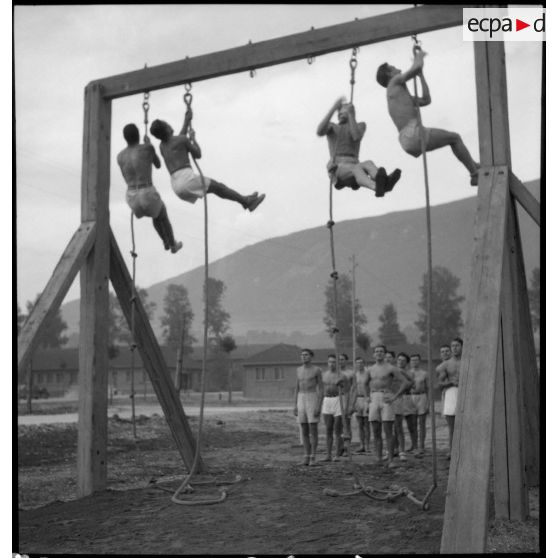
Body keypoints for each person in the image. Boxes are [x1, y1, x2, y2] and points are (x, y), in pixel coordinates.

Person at [376, 47, 480, 186]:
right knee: (455, 138)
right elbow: (416, 66)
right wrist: (419, 56)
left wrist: (421, 76)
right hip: (412, 133)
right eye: (394, 68)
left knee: (453, 139)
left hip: (407, 138)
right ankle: (474, 174)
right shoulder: (393, 82)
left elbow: (426, 100)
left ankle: (474, 166)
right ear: (389, 74)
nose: (398, 69)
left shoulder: (399, 95)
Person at [150, 109, 265, 211]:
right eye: (166, 123)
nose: (169, 124)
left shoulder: (162, 146)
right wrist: (194, 140)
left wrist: (186, 121)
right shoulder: (182, 140)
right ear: (166, 128)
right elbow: (198, 154)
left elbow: (178, 141)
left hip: (176, 186)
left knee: (217, 188)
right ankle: (246, 202)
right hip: (186, 180)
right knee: (219, 187)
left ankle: (245, 200)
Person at [117, 124, 183, 253]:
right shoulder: (146, 148)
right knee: (161, 212)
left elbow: (125, 176)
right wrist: (150, 145)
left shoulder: (120, 157)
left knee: (155, 214)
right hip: (146, 191)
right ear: (138, 135)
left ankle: (165, 241)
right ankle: (172, 244)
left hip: (131, 196)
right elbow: (158, 165)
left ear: (125, 138)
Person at [317, 96, 401, 197]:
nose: (341, 114)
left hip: (354, 163)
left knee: (368, 163)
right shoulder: (333, 127)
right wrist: (334, 107)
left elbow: (356, 136)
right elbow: (320, 131)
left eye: (344, 112)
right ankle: (375, 187)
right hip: (339, 167)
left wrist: (351, 115)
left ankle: (384, 181)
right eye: (340, 113)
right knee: (356, 168)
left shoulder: (360, 126)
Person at [368, 344, 412, 468]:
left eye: (381, 351)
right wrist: (367, 397)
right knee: (376, 430)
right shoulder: (370, 369)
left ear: (385, 353)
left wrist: (395, 396)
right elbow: (364, 383)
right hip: (374, 397)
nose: (379, 353)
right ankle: (378, 457)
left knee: (388, 430)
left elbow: (405, 382)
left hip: (387, 396)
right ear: (373, 354)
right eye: (376, 351)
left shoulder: (391, 368)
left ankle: (391, 459)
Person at [293, 349, 323, 466]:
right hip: (301, 398)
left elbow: (321, 388)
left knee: (313, 429)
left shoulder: (316, 370)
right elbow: (296, 388)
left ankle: (313, 456)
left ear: (311, 356)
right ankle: (306, 455)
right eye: (302, 355)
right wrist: (294, 404)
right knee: (303, 428)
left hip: (312, 397)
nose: (303, 357)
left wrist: (318, 405)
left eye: (306, 355)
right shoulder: (298, 370)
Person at [436, 337, 463, 458]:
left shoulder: (468, 361)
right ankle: (452, 451)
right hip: (452, 392)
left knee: (467, 424)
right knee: (452, 425)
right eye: (453, 346)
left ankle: (465, 449)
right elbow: (439, 384)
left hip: (466, 392)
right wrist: (450, 383)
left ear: (462, 347)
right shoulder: (445, 365)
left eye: (457, 345)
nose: (455, 348)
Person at [320, 355, 345, 462]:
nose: (332, 364)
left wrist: (341, 384)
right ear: (327, 363)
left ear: (337, 363)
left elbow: (348, 388)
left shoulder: (341, 375)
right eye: (330, 362)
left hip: (337, 400)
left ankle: (337, 455)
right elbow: (320, 390)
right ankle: (328, 454)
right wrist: (319, 403)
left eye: (334, 362)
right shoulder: (323, 375)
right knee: (328, 429)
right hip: (327, 400)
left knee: (337, 430)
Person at [392, 352, 414, 461]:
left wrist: (402, 373)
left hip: (402, 398)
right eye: (399, 360)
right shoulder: (392, 370)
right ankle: (394, 449)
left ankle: (402, 450)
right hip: (391, 398)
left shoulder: (408, 373)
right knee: (392, 427)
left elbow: (411, 384)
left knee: (400, 426)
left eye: (403, 360)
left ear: (407, 363)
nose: (400, 362)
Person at [408, 354, 429, 456]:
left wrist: (429, 402)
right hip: (411, 397)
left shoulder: (424, 373)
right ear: (410, 362)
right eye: (412, 360)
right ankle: (414, 445)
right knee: (412, 423)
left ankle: (422, 446)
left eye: (416, 360)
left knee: (422, 423)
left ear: (419, 361)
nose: (414, 362)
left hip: (422, 396)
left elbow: (428, 388)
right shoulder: (407, 373)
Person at [353, 356, 371, 453]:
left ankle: (368, 445)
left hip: (366, 399)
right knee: (360, 424)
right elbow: (354, 388)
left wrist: (368, 399)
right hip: (358, 399)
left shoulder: (368, 373)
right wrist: (354, 402)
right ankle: (362, 445)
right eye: (357, 363)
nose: (359, 364)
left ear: (364, 363)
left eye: (361, 363)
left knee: (367, 424)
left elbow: (370, 386)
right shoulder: (355, 374)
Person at [338, 353, 355, 454]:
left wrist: (351, 404)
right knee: (337, 424)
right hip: (336, 398)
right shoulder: (335, 372)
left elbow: (353, 389)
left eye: (342, 359)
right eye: (339, 359)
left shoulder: (350, 373)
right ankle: (339, 447)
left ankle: (347, 446)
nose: (341, 361)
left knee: (346, 424)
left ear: (346, 361)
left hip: (346, 397)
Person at [436, 344, 452, 420]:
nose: (445, 353)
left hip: (456, 391)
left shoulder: (455, 364)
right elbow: (438, 383)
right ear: (440, 354)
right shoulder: (439, 367)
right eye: (442, 352)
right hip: (445, 392)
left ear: (451, 352)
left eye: (447, 351)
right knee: (448, 416)